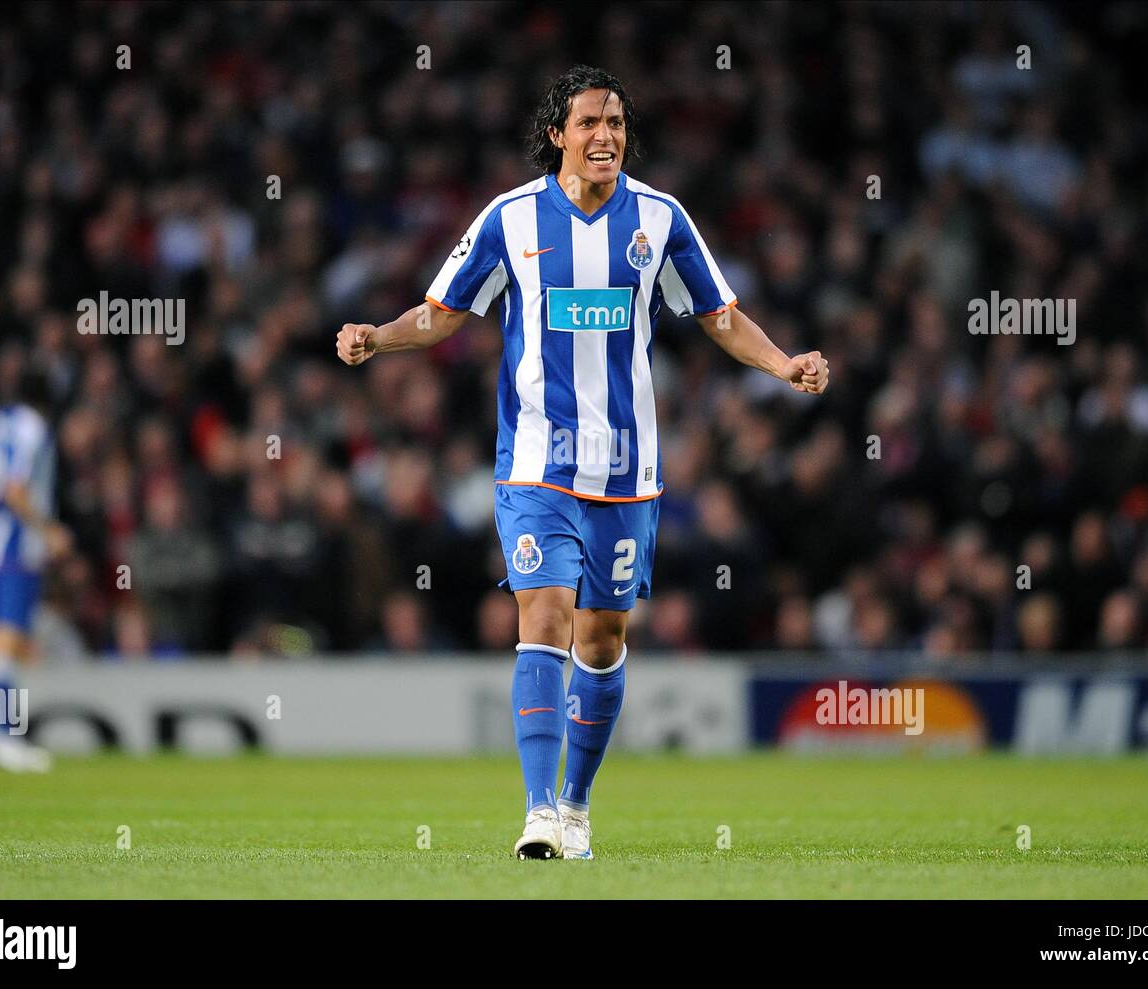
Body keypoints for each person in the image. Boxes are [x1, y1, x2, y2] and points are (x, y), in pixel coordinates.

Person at [336, 65, 829, 859]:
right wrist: (377, 336)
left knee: (600, 639)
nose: (606, 136)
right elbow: (439, 312)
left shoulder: (661, 220)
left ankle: (575, 806)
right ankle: (536, 813)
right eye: (590, 123)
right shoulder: (512, 217)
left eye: (617, 124)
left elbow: (720, 316)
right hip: (535, 463)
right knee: (544, 617)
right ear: (558, 135)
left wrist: (783, 365)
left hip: (627, 472)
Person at [0, 371, 71, 772]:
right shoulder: (31, 427)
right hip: (12, 544)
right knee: (4, 639)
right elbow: (14, 488)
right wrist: (49, 530)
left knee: (0, 640)